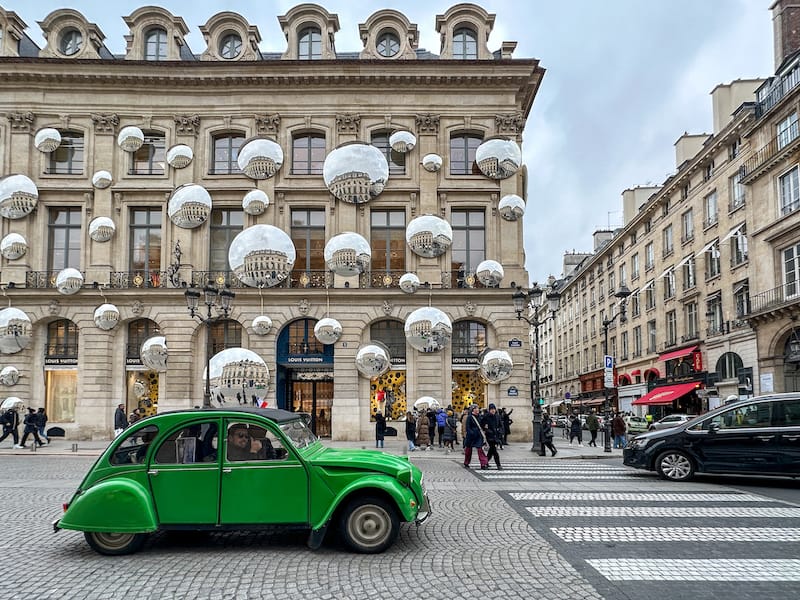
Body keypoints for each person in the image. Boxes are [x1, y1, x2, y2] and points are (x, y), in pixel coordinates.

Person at [463, 404, 489, 469]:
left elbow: (482, 425)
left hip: (478, 436)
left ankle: (483, 464)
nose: (478, 409)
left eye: (478, 408)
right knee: (468, 451)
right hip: (471, 437)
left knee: (480, 450)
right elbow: (468, 427)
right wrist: (472, 433)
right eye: (476, 408)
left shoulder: (480, 417)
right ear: (473, 410)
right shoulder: (469, 417)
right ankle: (466, 463)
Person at [481, 403, 503, 470]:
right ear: (489, 410)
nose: (493, 410)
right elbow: (482, 425)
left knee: (491, 451)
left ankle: (485, 462)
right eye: (491, 409)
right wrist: (487, 430)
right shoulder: (486, 416)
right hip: (489, 436)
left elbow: (501, 425)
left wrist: (500, 432)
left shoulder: (497, 416)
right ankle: (498, 465)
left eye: (494, 409)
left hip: (496, 435)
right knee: (494, 451)